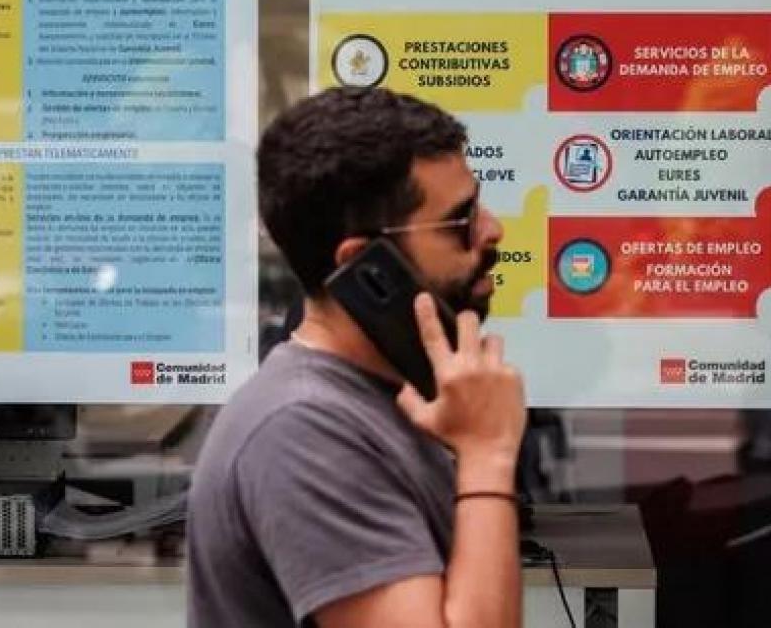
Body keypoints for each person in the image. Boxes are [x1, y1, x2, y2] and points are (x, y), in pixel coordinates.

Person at [187, 87, 527, 628]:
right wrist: (488, 453)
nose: (492, 230)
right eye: (460, 221)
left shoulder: (386, 396)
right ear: (369, 265)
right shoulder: (302, 430)